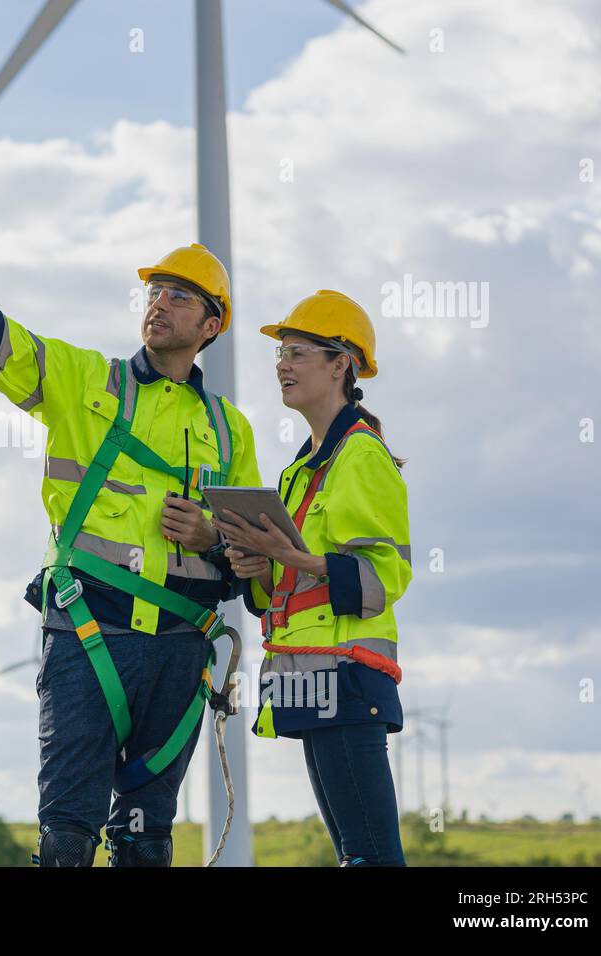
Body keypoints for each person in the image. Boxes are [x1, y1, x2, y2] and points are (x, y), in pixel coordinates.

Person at [0, 211, 261, 866]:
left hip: (181, 652)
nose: (160, 304)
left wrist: (212, 534)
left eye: (179, 295)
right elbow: (4, 346)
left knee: (148, 836)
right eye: (155, 291)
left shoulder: (231, 430)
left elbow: (255, 558)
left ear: (211, 325)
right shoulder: (87, 380)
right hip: (90, 635)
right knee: (66, 832)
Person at [213, 289, 410, 866]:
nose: (282, 365)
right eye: (280, 354)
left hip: (349, 675)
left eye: (297, 353)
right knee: (355, 856)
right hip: (310, 676)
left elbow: (383, 576)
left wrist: (291, 558)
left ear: (340, 363)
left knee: (371, 856)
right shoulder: (301, 468)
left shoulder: (361, 456)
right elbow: (286, 585)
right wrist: (257, 564)